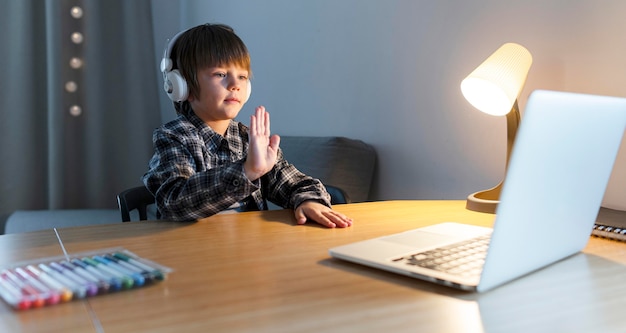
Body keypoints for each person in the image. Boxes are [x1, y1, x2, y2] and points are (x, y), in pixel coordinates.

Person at [142, 23, 353, 228]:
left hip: (247, 249)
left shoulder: (247, 138)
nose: (235, 84)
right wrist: (245, 171)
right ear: (180, 85)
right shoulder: (173, 137)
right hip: (190, 251)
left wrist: (308, 200)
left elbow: (296, 183)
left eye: (242, 76)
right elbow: (174, 202)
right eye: (220, 74)